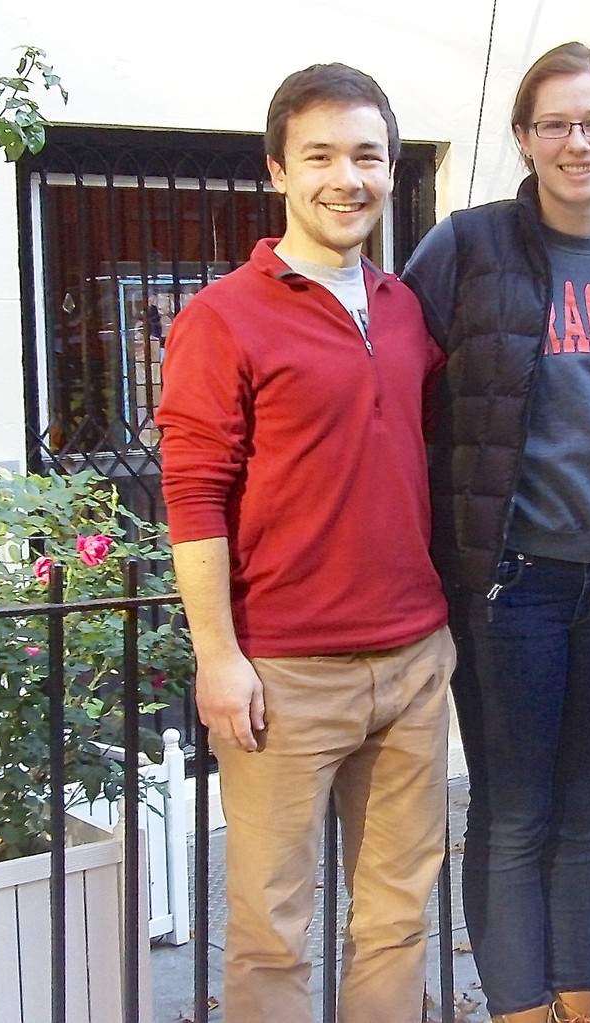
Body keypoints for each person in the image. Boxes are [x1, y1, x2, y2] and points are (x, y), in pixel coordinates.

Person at [402, 41, 590, 1023]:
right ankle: (518, 1011)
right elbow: (395, 399)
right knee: (514, 816)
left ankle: (580, 1010)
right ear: (525, 138)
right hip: (508, 588)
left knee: (583, 820)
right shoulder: (466, 247)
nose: (578, 141)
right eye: (556, 123)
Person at [156, 63, 455, 1023]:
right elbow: (194, 493)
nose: (346, 177)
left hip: (413, 660)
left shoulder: (407, 309)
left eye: (367, 155)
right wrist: (218, 658)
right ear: (278, 170)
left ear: (391, 169)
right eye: (320, 155)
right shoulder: (221, 318)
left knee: (399, 917)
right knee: (273, 929)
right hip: (283, 675)